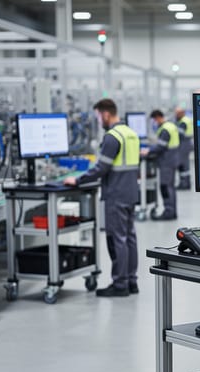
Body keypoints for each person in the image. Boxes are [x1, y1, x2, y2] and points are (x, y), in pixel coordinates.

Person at [64, 98, 140, 297]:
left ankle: (120, 284)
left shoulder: (112, 136)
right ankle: (131, 280)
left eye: (98, 117)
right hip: (131, 192)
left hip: (116, 194)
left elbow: (101, 168)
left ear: (106, 114)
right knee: (130, 237)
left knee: (118, 239)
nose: (99, 121)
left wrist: (78, 180)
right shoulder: (131, 133)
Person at [143, 109, 180, 220]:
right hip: (172, 159)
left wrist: (148, 151)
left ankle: (168, 212)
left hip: (167, 162)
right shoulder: (170, 125)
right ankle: (172, 211)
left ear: (158, 117)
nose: (155, 122)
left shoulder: (165, 129)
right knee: (171, 187)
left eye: (154, 120)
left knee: (165, 187)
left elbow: (160, 147)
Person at [174, 107, 193, 190]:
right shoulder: (186, 120)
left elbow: (179, 134)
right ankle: (186, 183)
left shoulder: (183, 122)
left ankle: (184, 184)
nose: (176, 115)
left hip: (183, 144)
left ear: (182, 113)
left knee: (183, 164)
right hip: (187, 143)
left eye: (177, 113)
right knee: (185, 164)